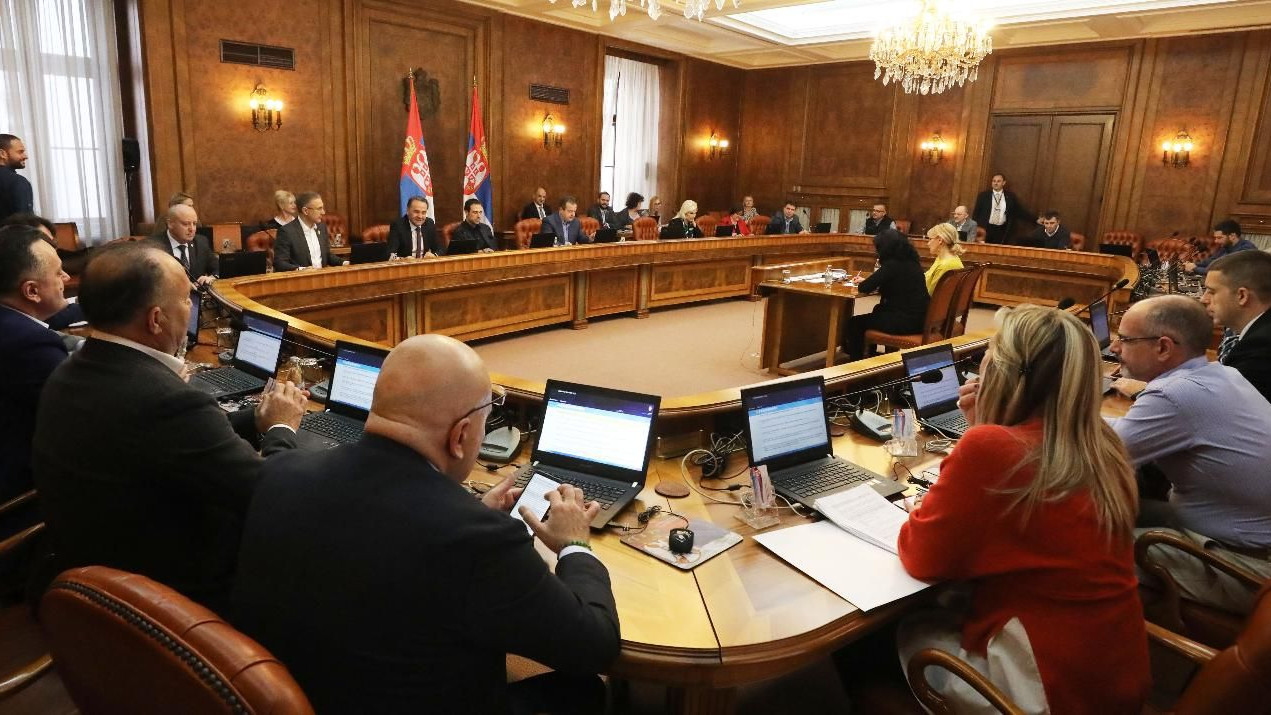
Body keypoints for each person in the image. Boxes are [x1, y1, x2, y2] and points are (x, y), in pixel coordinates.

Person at [231, 334, 620, 713]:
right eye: (485, 423)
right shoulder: (478, 539)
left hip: (286, 694)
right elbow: (594, 646)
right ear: (461, 435)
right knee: (582, 689)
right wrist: (574, 545)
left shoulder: (281, 470)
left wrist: (468, 510)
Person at [897, 305, 1149, 714]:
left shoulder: (990, 449)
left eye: (988, 354)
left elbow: (921, 557)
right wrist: (987, 429)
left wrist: (979, 435)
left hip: (1043, 689)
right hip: (1111, 676)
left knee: (891, 631)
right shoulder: (1102, 445)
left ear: (1002, 373)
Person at [32, 241, 307, 612]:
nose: (191, 308)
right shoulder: (165, 400)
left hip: (91, 575)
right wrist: (281, 429)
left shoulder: (70, 371)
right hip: (173, 599)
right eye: (186, 300)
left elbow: (169, 439)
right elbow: (266, 492)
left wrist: (255, 418)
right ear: (156, 319)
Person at [1108, 295, 1271, 615]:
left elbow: (1098, 455)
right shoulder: (1221, 374)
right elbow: (1120, 434)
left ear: (1163, 347)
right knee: (1128, 509)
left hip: (1243, 564)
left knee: (1083, 547)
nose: (1114, 347)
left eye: (1125, 339)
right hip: (1238, 538)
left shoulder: (1174, 394)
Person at [0, 225, 70, 516]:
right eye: (58, 272)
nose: (67, 278)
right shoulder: (30, 344)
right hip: (25, 500)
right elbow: (81, 418)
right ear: (31, 291)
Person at [842, 229, 929, 360]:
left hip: (905, 322)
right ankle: (871, 356)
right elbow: (897, 284)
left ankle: (857, 362)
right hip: (921, 319)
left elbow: (864, 287)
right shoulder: (913, 263)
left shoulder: (892, 265)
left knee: (854, 323)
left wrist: (869, 282)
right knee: (877, 311)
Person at [1202, 250, 1271, 402]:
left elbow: (1222, 404)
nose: (1204, 299)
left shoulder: (1259, 348)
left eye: (1211, 291)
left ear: (1242, 296)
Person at [273, 192, 348, 270]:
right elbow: (279, 263)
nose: (323, 212)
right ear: (305, 211)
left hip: (323, 275)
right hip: (302, 277)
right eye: (319, 209)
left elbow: (327, 255)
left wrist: (345, 263)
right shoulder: (286, 232)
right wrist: (301, 270)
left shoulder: (321, 228)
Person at [147, 203, 217, 286]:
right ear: (170, 224)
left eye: (194, 223)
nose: (192, 229)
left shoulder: (201, 242)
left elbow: (218, 268)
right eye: (186, 224)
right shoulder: (152, 246)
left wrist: (212, 278)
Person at [972, 173, 1035, 245]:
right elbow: (976, 213)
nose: (995, 183)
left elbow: (1020, 212)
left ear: (1004, 183)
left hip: (1001, 230)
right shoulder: (983, 196)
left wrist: (1035, 219)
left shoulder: (1010, 197)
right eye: (994, 181)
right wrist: (975, 229)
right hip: (985, 229)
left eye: (998, 181)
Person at [1185, 219, 1256, 276]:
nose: (1216, 241)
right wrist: (1194, 264)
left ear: (1232, 236)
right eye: (1215, 238)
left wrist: (1195, 268)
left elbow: (1223, 272)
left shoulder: (1246, 250)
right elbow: (1212, 261)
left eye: (1219, 238)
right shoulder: (1226, 247)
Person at [923, 224, 964, 295]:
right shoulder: (942, 258)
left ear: (940, 240)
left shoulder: (946, 265)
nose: (928, 243)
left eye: (930, 239)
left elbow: (929, 293)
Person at [0, 134, 33, 222]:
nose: (25, 156)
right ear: (2, 154)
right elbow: (25, 221)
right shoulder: (17, 181)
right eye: (20, 152)